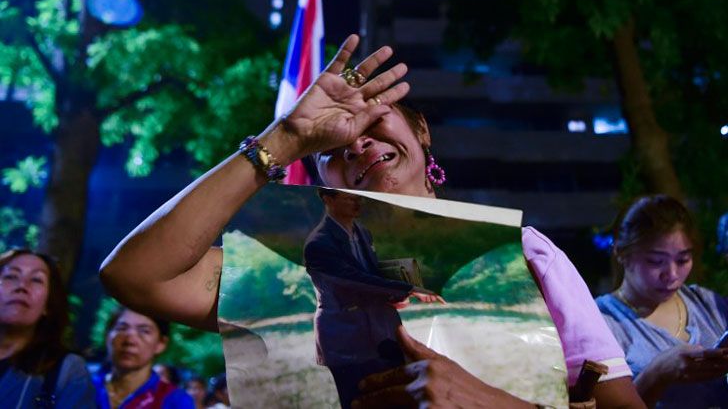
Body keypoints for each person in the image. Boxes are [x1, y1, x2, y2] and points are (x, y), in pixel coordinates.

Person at [100, 34, 645, 407]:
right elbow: (135, 275)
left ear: (421, 132)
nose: (356, 142)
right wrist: (285, 138)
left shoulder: (524, 254)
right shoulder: (287, 272)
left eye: (374, 120)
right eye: (332, 143)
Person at [305, 189, 443, 407]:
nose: (357, 202)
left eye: (358, 198)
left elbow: (371, 275)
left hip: (381, 331)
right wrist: (407, 288)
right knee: (361, 400)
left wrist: (394, 292)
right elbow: (354, 279)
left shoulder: (362, 232)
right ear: (327, 199)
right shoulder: (318, 244)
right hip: (346, 337)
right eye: (349, 198)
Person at [596, 195, 728, 408]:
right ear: (621, 252)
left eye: (683, 260)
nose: (672, 274)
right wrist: (658, 373)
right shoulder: (600, 322)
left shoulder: (708, 304)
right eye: (656, 261)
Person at [0, 248, 95, 407]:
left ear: (48, 305)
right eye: (11, 276)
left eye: (36, 280)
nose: (22, 286)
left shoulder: (67, 371)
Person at [93, 307, 194, 408]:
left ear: (161, 343)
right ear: (107, 336)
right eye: (122, 328)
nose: (130, 341)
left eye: (144, 331)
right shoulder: (85, 388)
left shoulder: (175, 400)